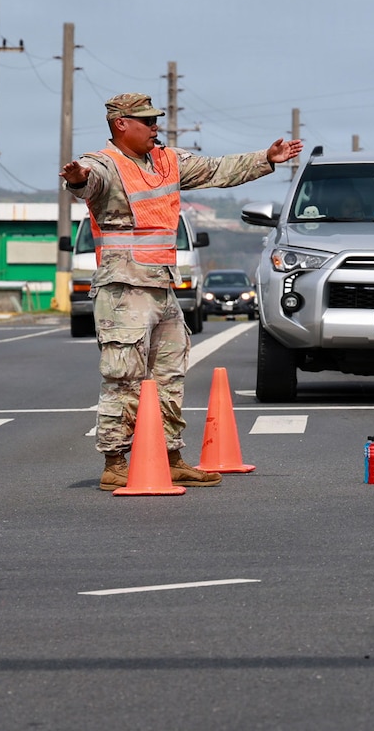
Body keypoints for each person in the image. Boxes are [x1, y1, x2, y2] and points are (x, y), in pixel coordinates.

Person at [60, 92, 302, 491]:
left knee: (170, 374)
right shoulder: (103, 164)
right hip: (124, 289)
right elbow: (87, 180)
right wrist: (77, 179)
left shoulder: (168, 160)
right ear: (121, 124)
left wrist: (265, 159)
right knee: (124, 376)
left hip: (162, 286)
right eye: (146, 121)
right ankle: (115, 460)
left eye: (156, 119)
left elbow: (217, 169)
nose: (155, 126)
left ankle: (170, 455)